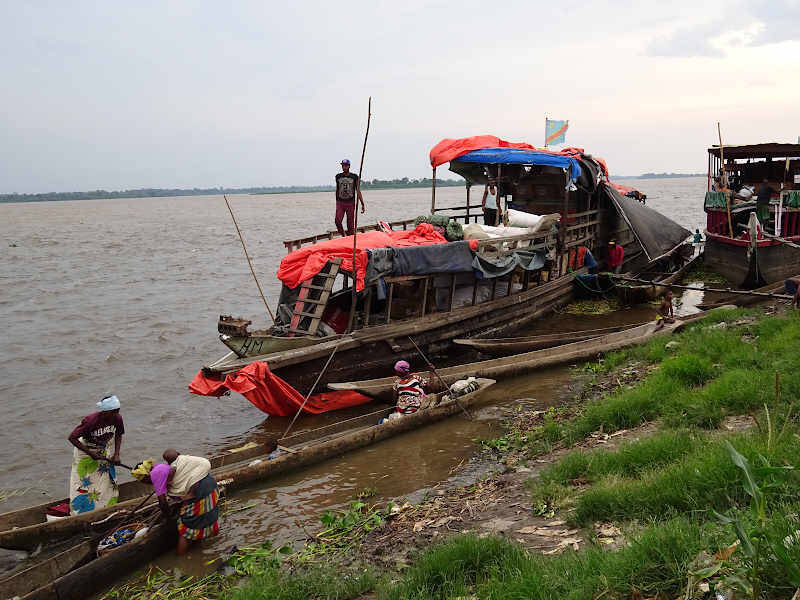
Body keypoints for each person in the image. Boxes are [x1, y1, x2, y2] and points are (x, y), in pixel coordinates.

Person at [131, 449, 220, 555]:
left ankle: (181, 557)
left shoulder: (155, 474)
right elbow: (179, 482)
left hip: (200, 491)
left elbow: (163, 503)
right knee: (203, 518)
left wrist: (168, 519)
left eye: (144, 481)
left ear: (146, 477)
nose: (147, 484)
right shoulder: (163, 468)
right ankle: (205, 545)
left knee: (186, 528)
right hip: (211, 485)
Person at [67, 395, 124, 515]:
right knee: (83, 482)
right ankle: (81, 513)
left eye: (118, 411)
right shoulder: (91, 421)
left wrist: (116, 454)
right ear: (105, 411)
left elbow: (118, 434)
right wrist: (90, 453)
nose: (117, 414)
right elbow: (72, 438)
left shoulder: (117, 418)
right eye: (114, 411)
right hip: (85, 451)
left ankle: (105, 507)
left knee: (105, 480)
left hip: (103, 449)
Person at [335, 159, 365, 236]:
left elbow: (358, 190)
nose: (344, 167)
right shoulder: (338, 176)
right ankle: (343, 235)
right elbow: (337, 190)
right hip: (340, 202)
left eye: (345, 165)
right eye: (343, 165)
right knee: (337, 221)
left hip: (350, 203)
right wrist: (337, 202)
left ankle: (350, 237)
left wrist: (362, 203)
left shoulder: (354, 177)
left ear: (349, 166)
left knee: (350, 224)